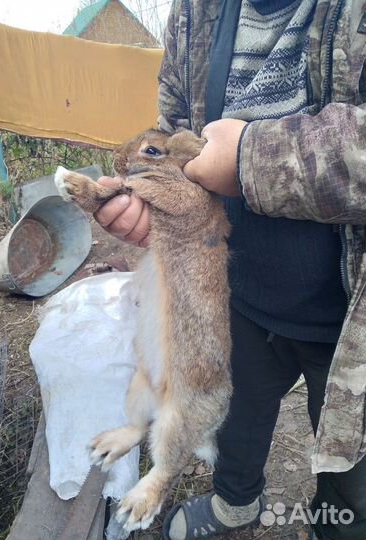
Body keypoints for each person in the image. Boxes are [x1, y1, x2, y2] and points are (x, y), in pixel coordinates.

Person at [94, 0, 366, 538]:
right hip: (231, 295)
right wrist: (147, 208)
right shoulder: (195, 10)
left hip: (348, 318)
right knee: (234, 417)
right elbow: (173, 133)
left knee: (350, 459)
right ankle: (234, 507)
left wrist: (248, 159)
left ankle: (337, 526)